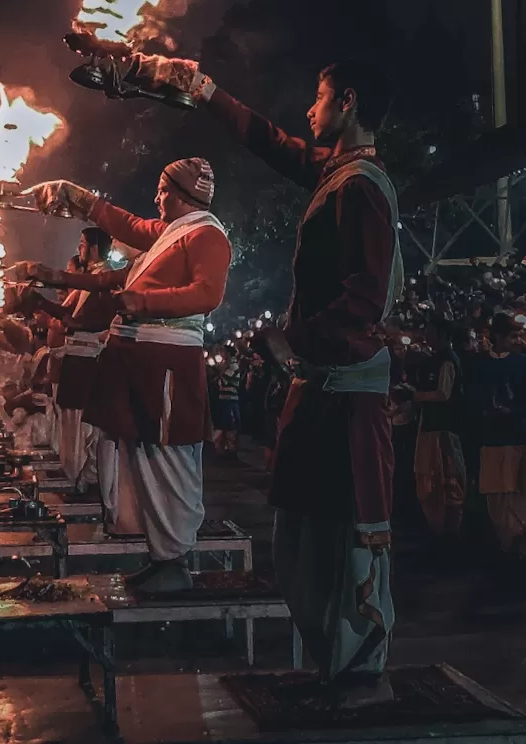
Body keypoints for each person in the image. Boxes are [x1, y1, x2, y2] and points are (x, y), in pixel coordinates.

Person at [135, 55, 402, 706]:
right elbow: (268, 141)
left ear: (349, 100)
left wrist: (290, 342)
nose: (309, 111)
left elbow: (365, 299)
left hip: (345, 394)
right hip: (315, 389)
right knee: (298, 535)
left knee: (345, 535)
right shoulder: (332, 173)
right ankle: (328, 666)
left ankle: (362, 674)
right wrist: (202, 91)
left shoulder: (360, 184)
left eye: (318, 97)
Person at [16, 158, 231, 592]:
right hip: (139, 362)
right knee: (142, 458)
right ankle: (160, 553)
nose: (156, 198)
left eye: (163, 190)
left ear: (186, 194)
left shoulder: (206, 234)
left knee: (166, 459)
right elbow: (127, 224)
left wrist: (143, 303)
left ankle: (175, 558)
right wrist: (78, 197)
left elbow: (209, 294)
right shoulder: (168, 236)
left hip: (166, 365)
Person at [20, 227, 116, 489]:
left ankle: (82, 482)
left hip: (87, 364)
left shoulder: (104, 278)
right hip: (75, 363)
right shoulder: (91, 278)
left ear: (94, 248)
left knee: (81, 431)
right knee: (70, 428)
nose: (79, 249)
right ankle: (75, 478)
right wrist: (35, 300)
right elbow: (67, 313)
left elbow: (76, 322)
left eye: (83, 244)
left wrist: (39, 302)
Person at [408, 317, 465, 535]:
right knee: (429, 476)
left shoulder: (447, 360)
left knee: (446, 477)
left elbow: (443, 393)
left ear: (442, 335)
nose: (426, 335)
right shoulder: (433, 359)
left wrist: (416, 396)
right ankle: (435, 524)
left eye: (430, 330)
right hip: (430, 425)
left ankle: (448, 528)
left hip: (443, 428)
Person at [475, 313, 526, 557]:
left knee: (518, 490)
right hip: (492, 438)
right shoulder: (480, 364)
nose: (517, 340)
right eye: (513, 336)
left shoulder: (521, 363)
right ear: (498, 336)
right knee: (495, 493)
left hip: (517, 437)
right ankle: (506, 544)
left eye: (519, 335)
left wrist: (512, 411)